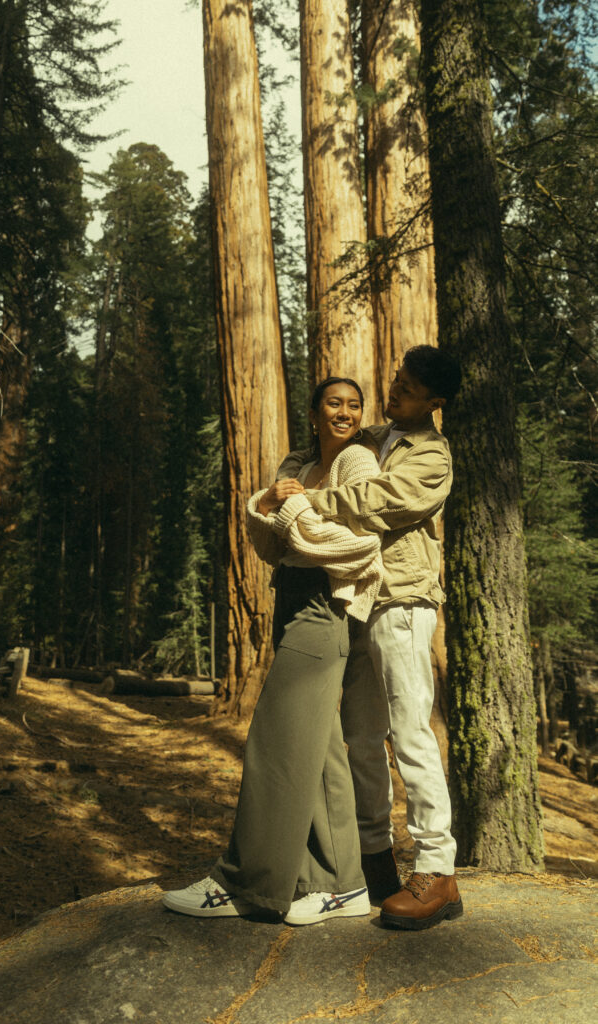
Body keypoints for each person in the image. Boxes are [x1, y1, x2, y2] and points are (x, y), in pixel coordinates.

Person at [163, 378, 384, 926]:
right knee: (319, 746)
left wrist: (291, 512)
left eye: (354, 406)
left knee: (276, 738)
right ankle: (343, 885)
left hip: (326, 605)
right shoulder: (297, 462)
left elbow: (360, 542)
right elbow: (269, 545)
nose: (345, 412)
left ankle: (244, 885)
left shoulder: (357, 462)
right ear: (313, 413)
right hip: (289, 597)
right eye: (334, 403)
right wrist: (264, 504)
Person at [279, 345, 463, 931]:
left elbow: (378, 501)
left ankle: (437, 870)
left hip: (403, 602)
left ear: (435, 404)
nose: (392, 390)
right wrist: (289, 483)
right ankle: (375, 861)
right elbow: (321, 459)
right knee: (361, 737)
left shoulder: (432, 456)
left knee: (410, 733)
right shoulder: (376, 436)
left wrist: (313, 500)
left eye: (407, 389)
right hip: (359, 599)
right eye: (396, 379)